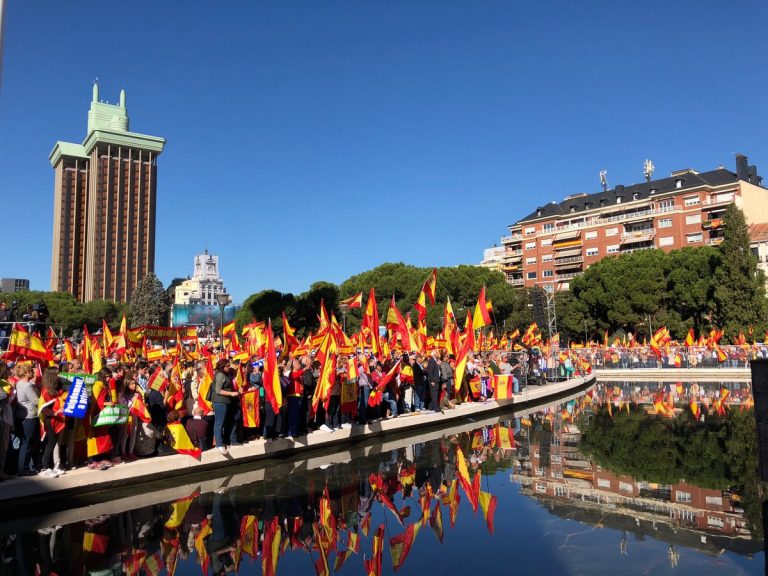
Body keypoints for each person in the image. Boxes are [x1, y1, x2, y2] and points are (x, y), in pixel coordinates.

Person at [38, 367, 67, 478]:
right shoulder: (45, 391)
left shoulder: (56, 389)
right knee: (50, 444)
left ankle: (52, 467)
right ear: (51, 376)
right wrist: (56, 412)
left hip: (58, 419)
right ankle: (45, 468)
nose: (58, 376)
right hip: (51, 420)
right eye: (56, 374)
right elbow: (43, 408)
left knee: (54, 443)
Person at [14, 363, 40, 476]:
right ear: (26, 373)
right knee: (27, 443)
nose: (33, 373)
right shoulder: (27, 385)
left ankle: (23, 467)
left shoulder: (18, 383)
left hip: (20, 416)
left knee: (24, 443)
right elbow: (35, 401)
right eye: (31, 371)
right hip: (29, 416)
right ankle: (23, 468)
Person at [211, 359, 239, 454]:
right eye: (227, 366)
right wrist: (231, 393)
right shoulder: (220, 375)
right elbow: (218, 390)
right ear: (222, 366)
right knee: (219, 423)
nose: (228, 367)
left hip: (223, 402)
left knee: (221, 423)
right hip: (219, 402)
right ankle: (219, 444)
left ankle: (221, 442)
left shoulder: (224, 375)